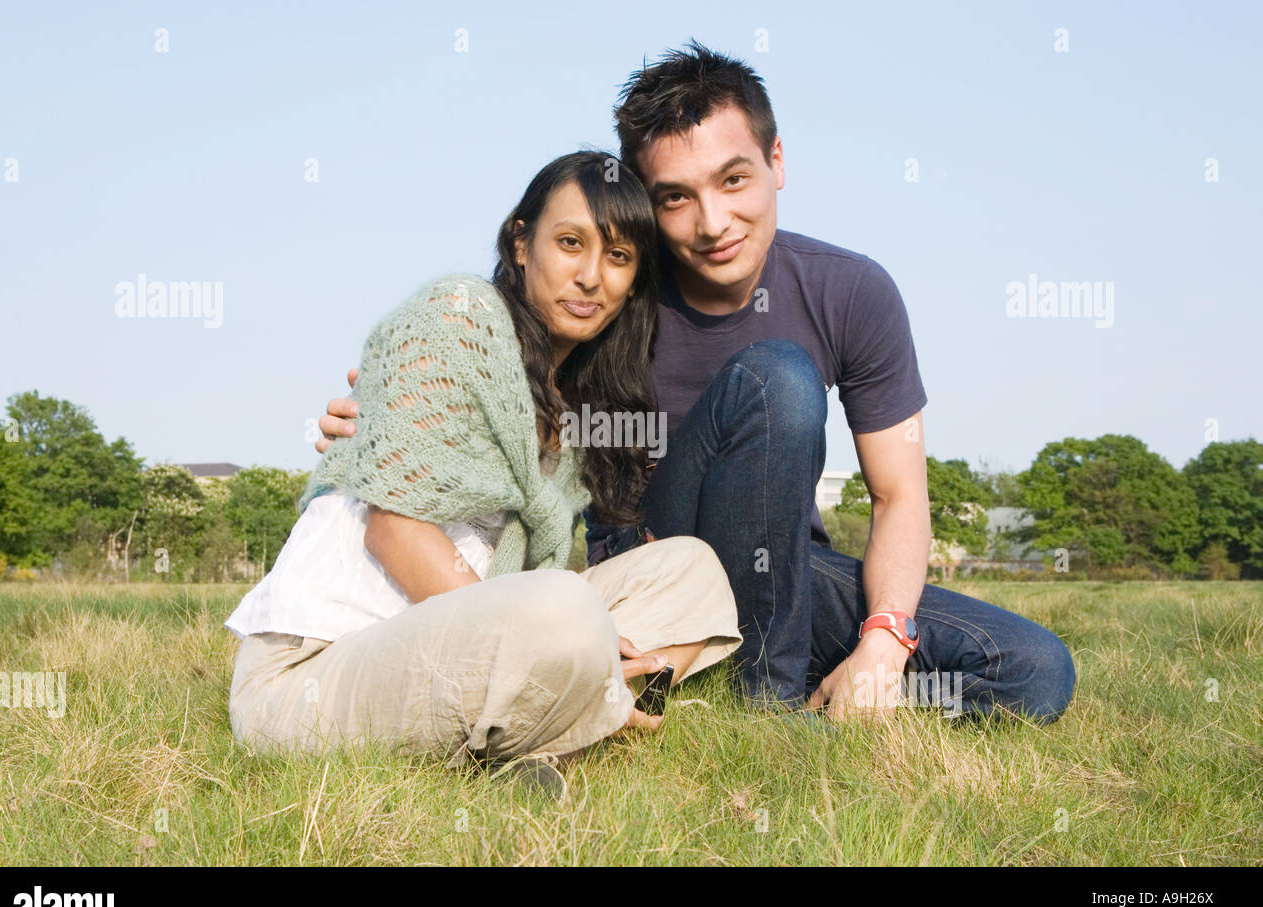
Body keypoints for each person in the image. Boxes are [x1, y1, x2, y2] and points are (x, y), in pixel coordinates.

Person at [318, 44, 1075, 724]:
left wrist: (883, 642)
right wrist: (389, 419)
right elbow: (485, 378)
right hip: (654, 559)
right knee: (778, 377)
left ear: (778, 161)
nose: (713, 222)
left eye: (734, 179)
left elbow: (899, 495)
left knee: (1035, 672)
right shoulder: (608, 294)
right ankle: (767, 710)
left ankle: (827, 693)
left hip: (786, 563)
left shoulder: (853, 291)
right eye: (676, 197)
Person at [227, 151, 742, 784]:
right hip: (312, 672)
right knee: (562, 610)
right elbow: (393, 528)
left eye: (617, 257)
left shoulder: (576, 407)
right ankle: (577, 720)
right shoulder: (458, 318)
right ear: (521, 243)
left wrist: (548, 636)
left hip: (448, 652)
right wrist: (550, 637)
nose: (590, 277)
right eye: (570, 243)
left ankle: (552, 726)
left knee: (694, 571)